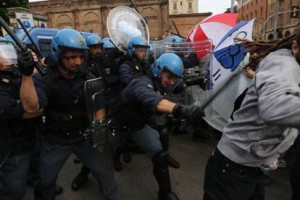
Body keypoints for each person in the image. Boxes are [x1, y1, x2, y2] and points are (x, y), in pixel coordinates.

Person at [20, 29, 117, 200]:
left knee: (105, 173)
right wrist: (26, 75)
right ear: (58, 55)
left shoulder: (88, 77)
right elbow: (31, 107)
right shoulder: (44, 78)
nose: (77, 61)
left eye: (80, 56)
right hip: (55, 140)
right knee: (45, 182)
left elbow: (99, 105)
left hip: (83, 138)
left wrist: (99, 134)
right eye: (71, 57)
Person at [203, 29, 300, 200]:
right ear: (295, 47)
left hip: (251, 168)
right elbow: (273, 106)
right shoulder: (284, 64)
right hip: (231, 168)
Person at [111, 53, 204, 200]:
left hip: (138, 126)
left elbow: (178, 86)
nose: (171, 82)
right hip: (116, 126)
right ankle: (84, 173)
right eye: (169, 77)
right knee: (99, 158)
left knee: (159, 153)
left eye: (174, 78)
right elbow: (153, 99)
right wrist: (181, 109)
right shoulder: (141, 82)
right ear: (159, 71)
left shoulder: (161, 82)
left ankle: (165, 193)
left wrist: (198, 81)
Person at [71, 33, 123, 191]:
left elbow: (118, 75)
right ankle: (84, 174)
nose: (97, 50)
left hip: (111, 103)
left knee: (115, 136)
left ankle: (115, 157)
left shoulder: (108, 59)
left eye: (99, 46)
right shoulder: (83, 64)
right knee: (97, 142)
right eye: (93, 47)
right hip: (95, 106)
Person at [0, 37, 42, 199]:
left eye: (7, 53)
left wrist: (35, 64)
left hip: (33, 135)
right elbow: (23, 110)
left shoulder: (13, 73)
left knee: (39, 173)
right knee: (14, 190)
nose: (6, 58)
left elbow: (35, 77)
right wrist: (46, 107)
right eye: (1, 54)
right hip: (13, 146)